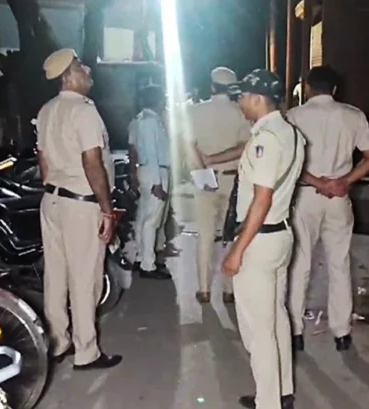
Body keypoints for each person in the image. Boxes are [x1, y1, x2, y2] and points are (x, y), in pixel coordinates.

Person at [221, 69, 305, 409]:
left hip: (259, 239)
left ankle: (267, 402)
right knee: (276, 317)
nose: (239, 103)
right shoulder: (292, 133)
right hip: (280, 234)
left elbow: (262, 198)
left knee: (259, 329)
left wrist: (237, 250)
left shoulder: (265, 140)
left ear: (257, 98)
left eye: (242, 97)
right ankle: (282, 392)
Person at [36, 48, 122, 370]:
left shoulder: (46, 110)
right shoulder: (84, 111)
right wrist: (107, 210)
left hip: (52, 201)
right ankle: (87, 352)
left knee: (55, 275)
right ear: (69, 77)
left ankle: (58, 341)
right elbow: (92, 163)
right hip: (80, 203)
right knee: (85, 277)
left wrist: (55, 186)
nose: (87, 69)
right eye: (80, 66)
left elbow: (43, 163)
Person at [286, 65, 369, 352]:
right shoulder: (353, 115)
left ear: (308, 87)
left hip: (305, 197)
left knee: (300, 262)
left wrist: (318, 182)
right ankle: (341, 332)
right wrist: (343, 182)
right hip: (339, 198)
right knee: (339, 263)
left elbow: (288, 160)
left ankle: (295, 330)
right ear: (335, 89)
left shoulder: (293, 116)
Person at [187, 66, 251, 304]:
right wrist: (217, 159)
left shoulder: (194, 111)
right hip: (233, 180)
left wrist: (203, 168)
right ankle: (229, 289)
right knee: (231, 235)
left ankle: (204, 289)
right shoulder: (241, 112)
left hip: (204, 180)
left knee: (204, 236)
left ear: (212, 86)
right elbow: (245, 146)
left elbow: (189, 146)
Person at [132, 85, 172, 280]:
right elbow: (152, 152)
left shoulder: (142, 119)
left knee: (143, 217)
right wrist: (157, 183)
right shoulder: (150, 121)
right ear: (157, 100)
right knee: (151, 221)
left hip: (147, 170)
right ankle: (148, 265)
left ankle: (141, 257)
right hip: (155, 171)